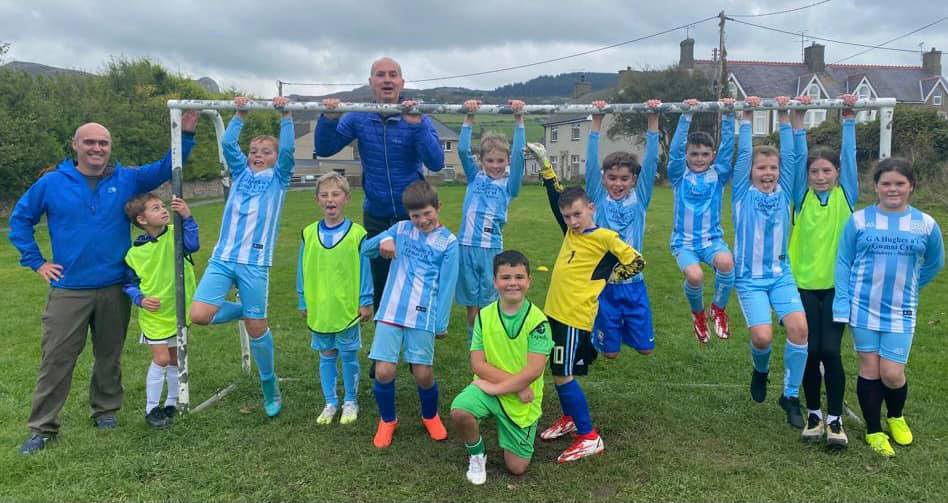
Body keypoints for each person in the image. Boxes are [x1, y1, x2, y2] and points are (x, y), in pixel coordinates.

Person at [8, 111, 201, 454]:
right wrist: (36, 262)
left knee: (109, 354)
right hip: (69, 288)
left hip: (115, 285)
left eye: (103, 143)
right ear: (75, 145)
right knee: (57, 358)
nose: (97, 148)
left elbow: (165, 168)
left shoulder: (125, 179)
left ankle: (106, 411)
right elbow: (20, 219)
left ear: (110, 147)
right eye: (90, 142)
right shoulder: (53, 183)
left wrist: (185, 133)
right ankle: (42, 428)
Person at [189, 96, 294, 417]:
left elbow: (288, 151)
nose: (258, 155)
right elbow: (227, 143)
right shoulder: (240, 173)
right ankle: (245, 312)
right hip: (223, 258)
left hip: (255, 263)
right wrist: (240, 114)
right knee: (199, 315)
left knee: (257, 329)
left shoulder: (279, 179)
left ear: (275, 158)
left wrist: (286, 117)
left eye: (266, 152)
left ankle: (269, 383)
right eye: (254, 151)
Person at [833, 158, 944, 457]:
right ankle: (874, 430)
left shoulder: (925, 224)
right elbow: (843, 261)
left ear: (911, 186)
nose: (892, 189)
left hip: (901, 310)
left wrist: (911, 286)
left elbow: (935, 262)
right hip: (863, 307)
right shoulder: (859, 220)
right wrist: (842, 300)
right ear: (876, 187)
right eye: (886, 183)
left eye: (899, 184)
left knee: (893, 373)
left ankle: (895, 416)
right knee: (870, 369)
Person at [315, 57, 445, 309]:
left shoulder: (417, 117)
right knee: (381, 285)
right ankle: (384, 333)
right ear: (371, 82)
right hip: (377, 214)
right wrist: (329, 118)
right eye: (381, 75)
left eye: (393, 75)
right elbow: (325, 148)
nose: (387, 80)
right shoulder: (359, 116)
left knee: (416, 281)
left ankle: (418, 330)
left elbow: (437, 162)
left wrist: (417, 126)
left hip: (414, 215)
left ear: (401, 82)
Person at [535, 184, 645, 463]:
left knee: (563, 374)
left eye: (577, 214)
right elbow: (555, 198)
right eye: (567, 217)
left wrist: (611, 277)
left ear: (591, 208)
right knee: (559, 370)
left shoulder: (605, 238)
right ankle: (570, 418)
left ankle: (588, 436)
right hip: (554, 312)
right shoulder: (571, 234)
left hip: (573, 316)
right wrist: (547, 173)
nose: (572, 221)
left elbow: (636, 261)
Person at [361, 180, 459, 449]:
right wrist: (386, 238)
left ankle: (430, 416)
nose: (422, 220)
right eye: (416, 215)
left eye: (427, 213)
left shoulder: (449, 242)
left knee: (423, 373)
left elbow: (447, 285)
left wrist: (440, 323)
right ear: (408, 215)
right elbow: (366, 249)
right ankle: (387, 420)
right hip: (391, 311)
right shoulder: (401, 229)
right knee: (384, 372)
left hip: (422, 316)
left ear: (438, 207)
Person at [733, 96, 809, 429]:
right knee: (762, 338)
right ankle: (760, 371)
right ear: (751, 172)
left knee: (799, 329)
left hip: (780, 276)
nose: (768, 173)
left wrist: (786, 117)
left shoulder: (785, 192)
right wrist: (747, 116)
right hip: (749, 279)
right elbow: (743, 156)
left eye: (773, 168)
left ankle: (790, 395)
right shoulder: (742, 194)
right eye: (761, 168)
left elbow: (792, 157)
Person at [787, 94, 858, 446]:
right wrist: (798, 121)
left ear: (837, 174)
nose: (820, 176)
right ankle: (814, 414)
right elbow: (797, 157)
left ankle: (835, 420)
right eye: (814, 172)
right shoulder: (801, 197)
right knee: (810, 352)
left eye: (826, 171)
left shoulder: (846, 195)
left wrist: (848, 117)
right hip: (801, 286)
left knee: (830, 351)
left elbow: (851, 157)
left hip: (835, 288)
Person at [450, 250, 552, 485]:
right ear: (495, 281)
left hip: (520, 399)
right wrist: (515, 387)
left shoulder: (538, 322)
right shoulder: (484, 316)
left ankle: (510, 424)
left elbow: (534, 371)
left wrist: (499, 389)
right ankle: (477, 455)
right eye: (506, 277)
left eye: (519, 277)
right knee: (460, 410)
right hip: (503, 388)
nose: (512, 283)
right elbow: (478, 363)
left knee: (516, 468)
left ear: (529, 281)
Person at [296, 172, 373, 425]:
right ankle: (330, 402)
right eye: (324, 195)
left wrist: (365, 300)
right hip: (320, 307)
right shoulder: (308, 233)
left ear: (346, 198)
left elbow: (365, 270)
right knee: (326, 355)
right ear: (317, 199)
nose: (330, 199)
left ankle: (350, 401)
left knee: (348, 355)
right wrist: (303, 299)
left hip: (346, 307)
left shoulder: (357, 234)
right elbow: (301, 269)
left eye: (336, 194)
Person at [122, 194, 199, 429]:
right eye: (156, 208)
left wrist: (187, 217)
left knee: (175, 358)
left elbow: (193, 245)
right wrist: (140, 299)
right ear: (142, 219)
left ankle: (171, 402)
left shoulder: (177, 233)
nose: (164, 210)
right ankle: (151, 409)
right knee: (162, 358)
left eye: (163, 206)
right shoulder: (134, 253)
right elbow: (128, 283)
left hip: (179, 310)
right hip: (155, 316)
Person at [456, 98, 526, 343]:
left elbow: (519, 155)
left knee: (488, 303)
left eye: (500, 161)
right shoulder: (475, 177)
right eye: (490, 161)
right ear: (482, 161)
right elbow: (462, 150)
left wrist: (519, 119)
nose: (495, 166)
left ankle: (489, 343)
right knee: (471, 305)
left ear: (507, 161)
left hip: (490, 249)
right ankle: (474, 345)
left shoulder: (509, 186)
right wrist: (469, 116)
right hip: (465, 246)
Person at [668, 98, 737, 343]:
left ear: (712, 156)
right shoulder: (679, 175)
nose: (699, 158)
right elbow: (674, 151)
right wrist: (686, 115)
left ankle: (718, 309)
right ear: (686, 155)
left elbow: (728, 148)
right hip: (684, 243)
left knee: (727, 263)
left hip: (711, 240)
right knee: (695, 276)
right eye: (694, 154)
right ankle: (698, 314)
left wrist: (728, 114)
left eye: (705, 154)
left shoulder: (718, 174)